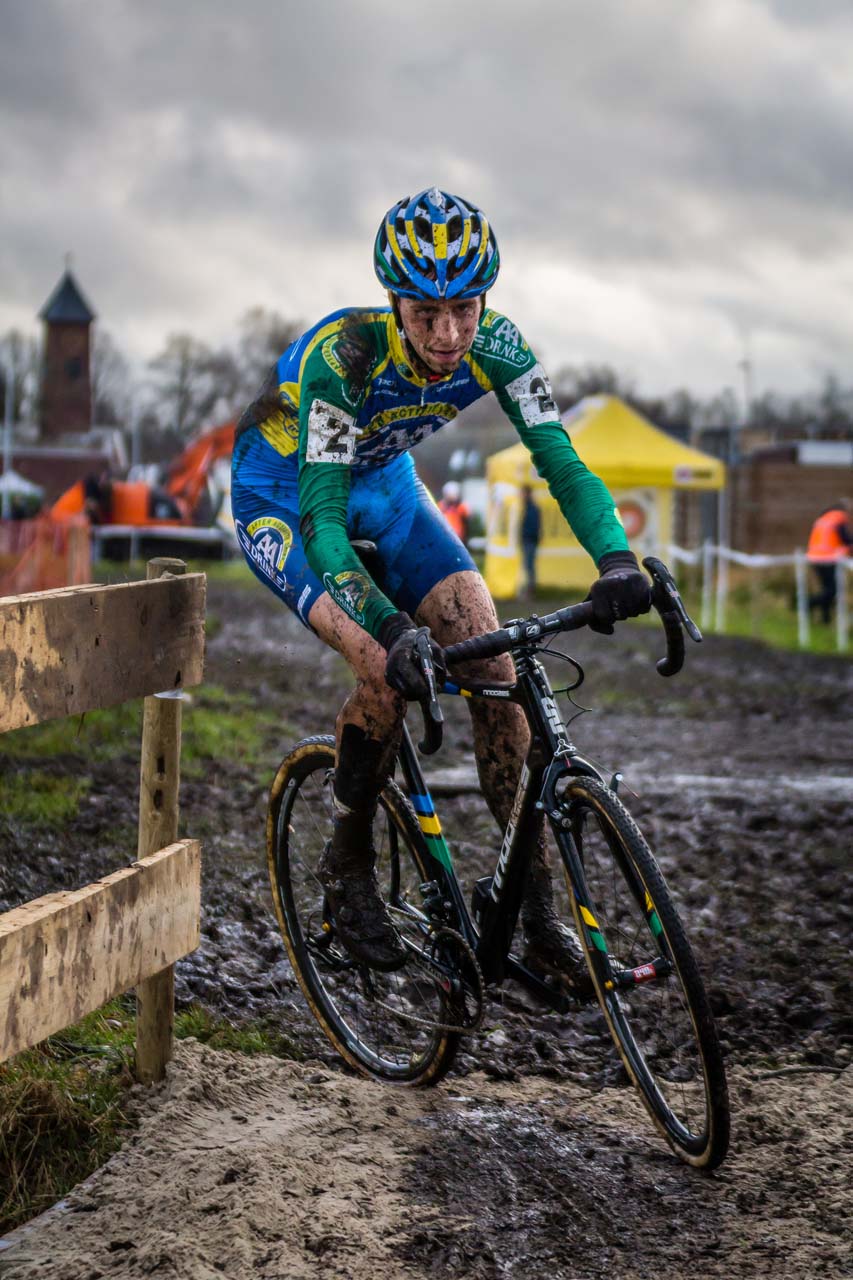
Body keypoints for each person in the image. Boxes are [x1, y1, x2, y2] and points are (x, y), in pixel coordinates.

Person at [231, 186, 650, 988]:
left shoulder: (500, 345)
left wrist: (616, 560)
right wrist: (389, 628)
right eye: (425, 314)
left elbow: (560, 463)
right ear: (393, 303)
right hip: (286, 498)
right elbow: (321, 524)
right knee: (385, 668)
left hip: (388, 491)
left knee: (492, 665)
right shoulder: (343, 356)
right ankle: (345, 857)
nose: (449, 334)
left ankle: (532, 909)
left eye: (464, 307)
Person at [806, 498, 852, 624]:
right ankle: (807, 604)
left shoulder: (824, 518)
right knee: (832, 591)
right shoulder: (838, 517)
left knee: (827, 590)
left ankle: (825, 620)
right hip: (827, 559)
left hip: (815, 558)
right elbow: (845, 539)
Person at [519, 483, 542, 596]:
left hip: (529, 541)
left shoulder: (531, 508)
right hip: (528, 540)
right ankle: (530, 590)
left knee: (529, 566)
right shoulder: (528, 508)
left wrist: (526, 536)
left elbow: (533, 527)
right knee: (528, 566)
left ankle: (530, 591)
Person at [438, 480, 470, 544]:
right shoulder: (440, 505)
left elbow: (466, 524)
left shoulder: (461, 507)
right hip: (444, 535)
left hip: (458, 537)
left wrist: (465, 538)